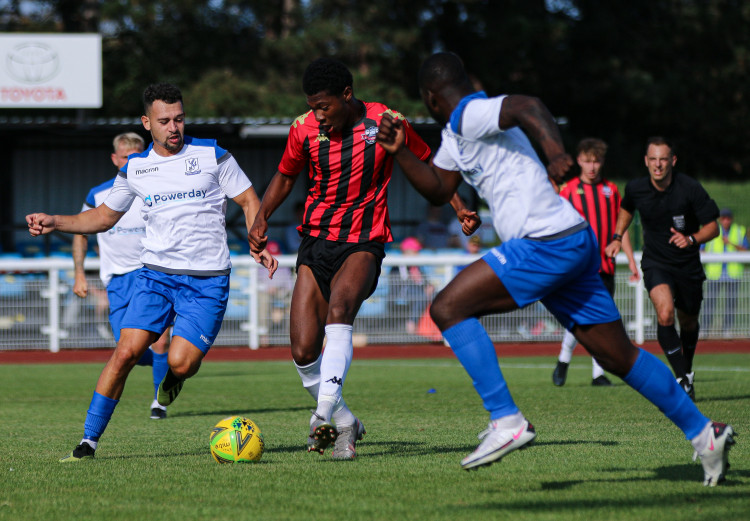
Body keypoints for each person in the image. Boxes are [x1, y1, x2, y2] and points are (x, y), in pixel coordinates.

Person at [376, 52, 734, 486]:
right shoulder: (455, 135)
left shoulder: (471, 111)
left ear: (431, 98)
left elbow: (528, 105)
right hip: (568, 240)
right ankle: (704, 433)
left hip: (545, 243)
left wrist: (556, 153)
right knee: (617, 355)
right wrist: (399, 153)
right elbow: (437, 188)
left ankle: (506, 420)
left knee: (448, 308)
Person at [27, 83, 277, 462]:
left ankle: (172, 380)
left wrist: (258, 241)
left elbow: (247, 199)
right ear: (147, 123)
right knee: (125, 352)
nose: (173, 127)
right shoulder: (136, 167)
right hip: (156, 276)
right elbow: (103, 216)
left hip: (208, 281)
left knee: (181, 362)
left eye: (178, 119)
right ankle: (88, 443)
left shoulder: (212, 154)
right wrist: (56, 221)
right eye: (164, 121)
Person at [248, 57, 479, 461]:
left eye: (325, 106)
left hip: (364, 241)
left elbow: (427, 164)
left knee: (340, 310)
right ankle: (345, 420)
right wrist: (260, 218)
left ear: (347, 95)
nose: (318, 116)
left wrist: (458, 205)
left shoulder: (386, 122)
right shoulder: (302, 129)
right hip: (316, 243)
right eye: (313, 106)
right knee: (303, 351)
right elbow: (285, 176)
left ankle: (321, 413)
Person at [605, 137, 719, 401]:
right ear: (646, 161)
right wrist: (616, 236)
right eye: (653, 159)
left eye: (663, 159)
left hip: (688, 264)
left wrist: (691, 239)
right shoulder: (636, 188)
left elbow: (713, 227)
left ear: (672, 161)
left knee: (688, 321)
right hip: (656, 262)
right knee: (665, 313)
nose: (658, 165)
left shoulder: (689, 188)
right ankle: (681, 378)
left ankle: (687, 370)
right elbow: (626, 209)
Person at [72, 132, 172, 420]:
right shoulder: (98, 194)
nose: (131, 161)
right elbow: (81, 232)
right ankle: (170, 367)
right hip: (117, 280)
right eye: (125, 156)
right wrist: (79, 273)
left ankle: (159, 402)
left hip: (152, 274)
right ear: (115, 159)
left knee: (160, 339)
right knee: (128, 350)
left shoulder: (159, 190)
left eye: (136, 155)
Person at [552, 138, 640, 387]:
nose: (592, 167)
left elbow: (620, 230)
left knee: (602, 319)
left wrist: (632, 261)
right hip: (577, 266)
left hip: (606, 266)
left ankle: (597, 374)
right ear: (579, 160)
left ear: (602, 162)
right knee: (579, 316)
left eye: (596, 161)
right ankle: (564, 358)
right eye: (588, 161)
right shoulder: (567, 190)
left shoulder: (611, 190)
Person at [701, 207, 748, 335]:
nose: (726, 221)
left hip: (733, 273)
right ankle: (705, 328)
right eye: (723, 218)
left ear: (731, 219)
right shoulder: (711, 230)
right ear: (720, 219)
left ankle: (727, 329)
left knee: (731, 303)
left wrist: (731, 243)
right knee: (710, 302)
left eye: (728, 218)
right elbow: (701, 248)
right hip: (714, 273)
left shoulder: (739, 231)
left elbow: (746, 251)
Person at [389, 237, 435, 335]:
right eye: (416, 251)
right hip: (403, 293)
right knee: (419, 295)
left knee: (435, 293)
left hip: (419, 293)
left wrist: (429, 286)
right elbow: (397, 285)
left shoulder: (417, 267)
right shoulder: (397, 266)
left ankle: (434, 328)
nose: (418, 254)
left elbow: (425, 281)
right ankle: (412, 323)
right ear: (407, 252)